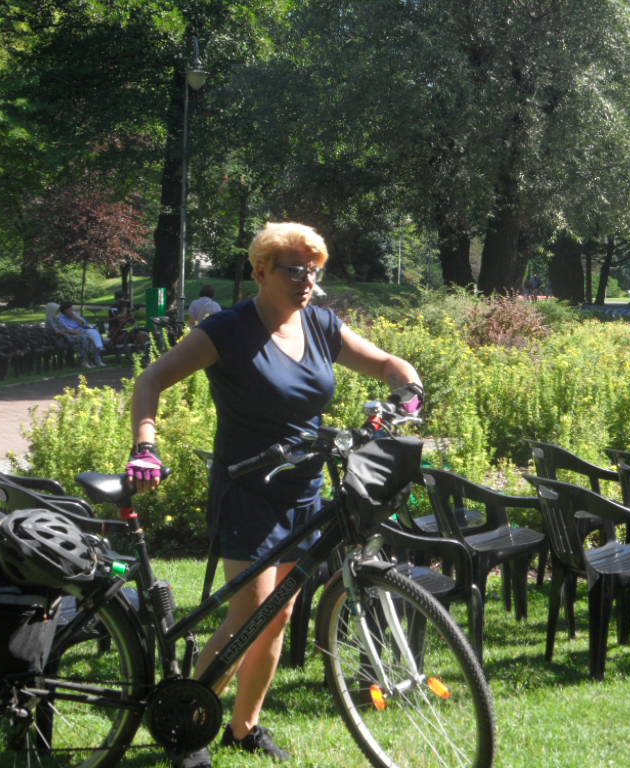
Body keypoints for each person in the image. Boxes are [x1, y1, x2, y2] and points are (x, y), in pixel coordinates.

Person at [126, 222, 422, 768]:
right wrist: (146, 446)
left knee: (279, 615)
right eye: (293, 270)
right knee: (249, 616)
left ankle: (244, 728)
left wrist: (408, 392)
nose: (306, 281)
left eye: (313, 271)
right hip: (248, 490)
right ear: (261, 271)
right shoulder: (228, 330)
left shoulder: (321, 325)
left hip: (304, 488)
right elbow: (151, 381)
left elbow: (387, 365)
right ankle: (185, 729)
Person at [57, 301, 105, 366]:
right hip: (74, 334)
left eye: (71, 308)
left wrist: (74, 317)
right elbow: (68, 330)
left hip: (83, 330)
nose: (71, 310)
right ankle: (91, 360)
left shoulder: (75, 314)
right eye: (70, 309)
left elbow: (84, 324)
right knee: (89, 338)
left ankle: (99, 352)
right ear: (65, 310)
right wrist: (81, 333)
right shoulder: (61, 318)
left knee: (94, 332)